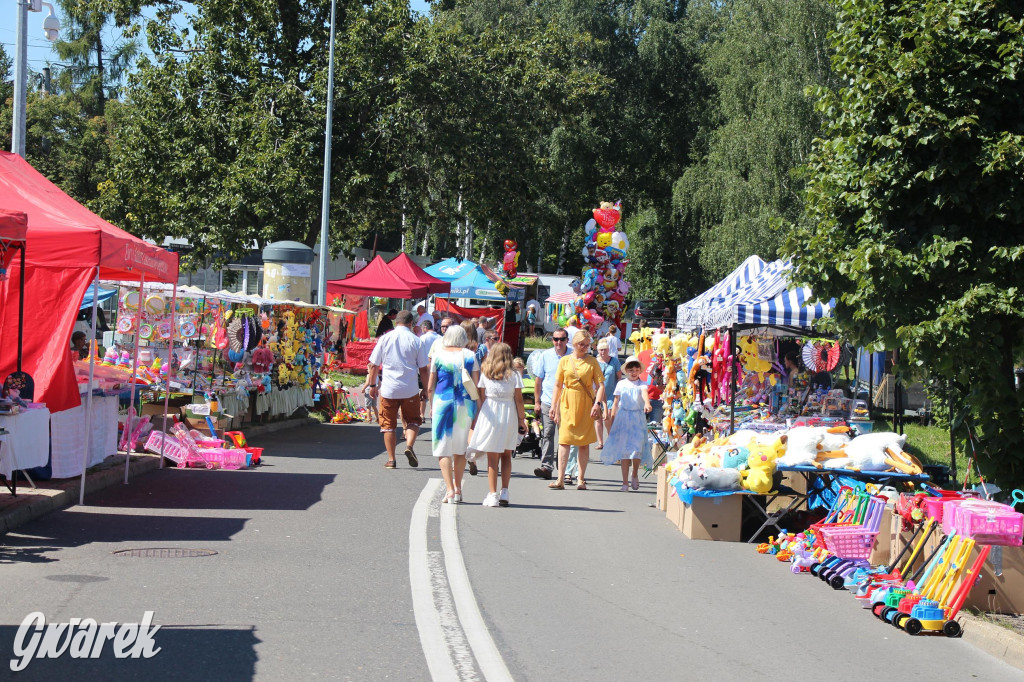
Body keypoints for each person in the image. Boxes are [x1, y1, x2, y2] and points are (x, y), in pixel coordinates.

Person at [363, 310, 430, 469]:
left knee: (388, 425)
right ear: (411, 323)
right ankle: (409, 446)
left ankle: (391, 459)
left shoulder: (385, 338)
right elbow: (424, 369)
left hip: (388, 389)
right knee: (413, 420)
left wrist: (372, 385)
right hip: (410, 389)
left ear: (396, 322)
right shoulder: (416, 341)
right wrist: (426, 389)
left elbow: (373, 365)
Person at [467, 342, 525, 507]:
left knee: (492, 458)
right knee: (506, 454)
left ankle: (492, 494)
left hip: (491, 413)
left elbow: (482, 396)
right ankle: (504, 491)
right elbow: (519, 399)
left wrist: (479, 416)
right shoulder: (514, 375)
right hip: (509, 413)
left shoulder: (486, 373)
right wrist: (522, 420)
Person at [548, 330, 606, 490]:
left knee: (584, 443)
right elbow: (558, 385)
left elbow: (601, 385)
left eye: (587, 345)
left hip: (586, 403)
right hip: (567, 402)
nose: (585, 348)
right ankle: (560, 479)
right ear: (574, 344)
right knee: (564, 441)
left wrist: (597, 404)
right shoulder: (565, 361)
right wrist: (554, 406)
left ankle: (581, 478)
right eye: (582, 344)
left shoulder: (592, 361)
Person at [427, 324, 479, 504]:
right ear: (464, 338)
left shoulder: (438, 355)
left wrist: (431, 405)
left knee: (442, 448)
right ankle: (458, 488)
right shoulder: (471, 356)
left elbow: (430, 385)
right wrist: (477, 410)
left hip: (443, 403)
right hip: (465, 405)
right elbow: (476, 386)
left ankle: (449, 489)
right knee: (459, 448)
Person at [602, 356, 653, 490]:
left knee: (636, 450)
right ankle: (625, 482)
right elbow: (616, 403)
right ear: (626, 371)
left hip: (637, 418)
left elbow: (644, 394)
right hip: (623, 417)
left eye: (636, 370)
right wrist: (612, 418)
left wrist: (647, 403)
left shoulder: (642, 384)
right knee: (625, 452)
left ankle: (634, 473)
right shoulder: (621, 384)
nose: (633, 372)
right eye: (631, 370)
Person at [531, 328, 571, 480]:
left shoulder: (573, 355)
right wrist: (537, 401)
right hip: (548, 400)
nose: (558, 342)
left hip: (568, 402)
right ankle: (546, 466)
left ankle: (565, 470)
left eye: (561, 339)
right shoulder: (545, 355)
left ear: (567, 340)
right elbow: (538, 379)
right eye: (555, 339)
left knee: (566, 436)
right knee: (547, 433)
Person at [595, 338, 622, 449]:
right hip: (598, 393)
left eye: (605, 350)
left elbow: (619, 377)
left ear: (608, 350)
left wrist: (619, 391)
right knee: (598, 418)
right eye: (600, 350)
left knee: (609, 417)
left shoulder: (614, 361)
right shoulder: (595, 362)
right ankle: (600, 442)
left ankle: (611, 440)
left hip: (611, 393)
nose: (602, 352)